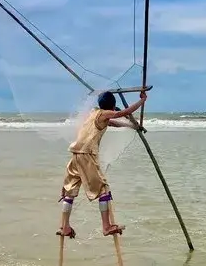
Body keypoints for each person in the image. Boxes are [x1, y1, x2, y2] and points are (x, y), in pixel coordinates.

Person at [56, 90, 147, 239]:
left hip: (76, 153)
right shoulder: (104, 113)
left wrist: (132, 126)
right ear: (112, 106)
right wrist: (142, 101)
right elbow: (123, 112)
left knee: (69, 190)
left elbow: (112, 122)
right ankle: (106, 227)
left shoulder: (94, 113)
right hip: (87, 154)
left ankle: (65, 227)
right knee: (103, 189)